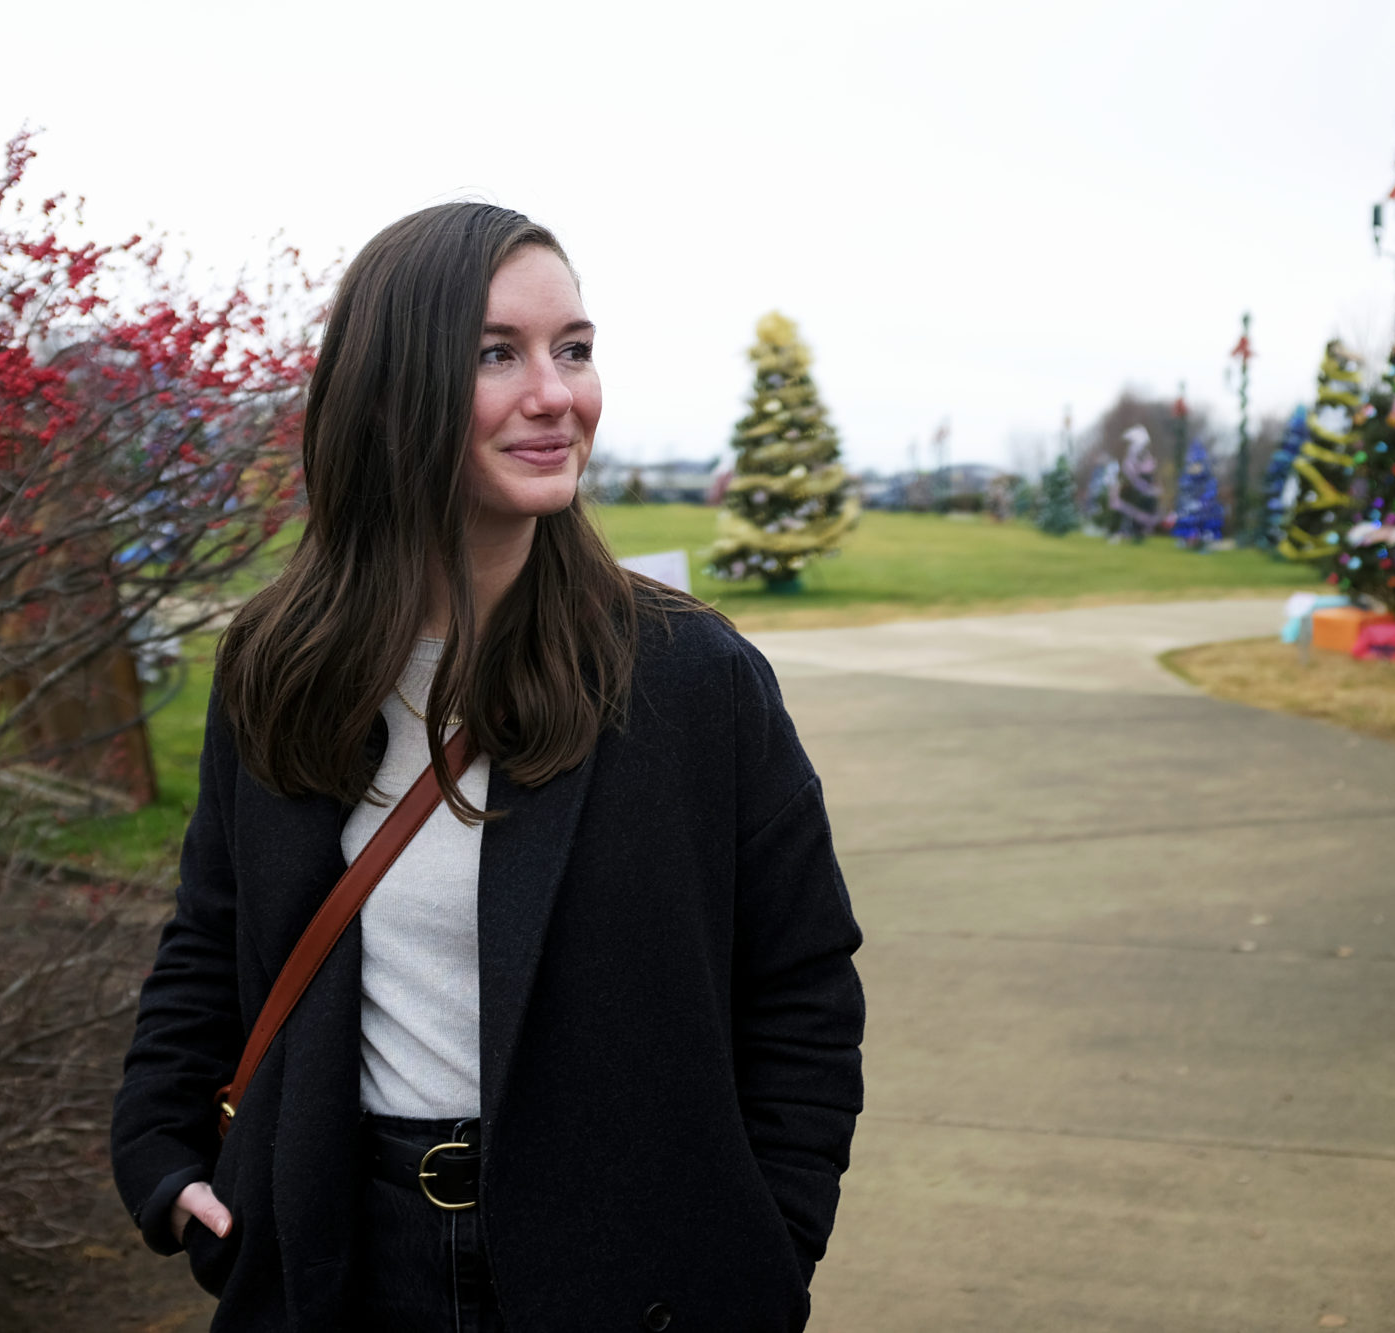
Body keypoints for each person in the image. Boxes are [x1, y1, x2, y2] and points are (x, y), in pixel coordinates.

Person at [110, 202, 865, 1332]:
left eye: (573, 349)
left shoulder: (686, 678)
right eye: (495, 355)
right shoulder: (279, 665)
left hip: (625, 1272)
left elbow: (800, 986)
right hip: (337, 1257)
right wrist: (161, 1160)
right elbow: (211, 940)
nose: (555, 394)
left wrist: (765, 1251)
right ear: (388, 387)